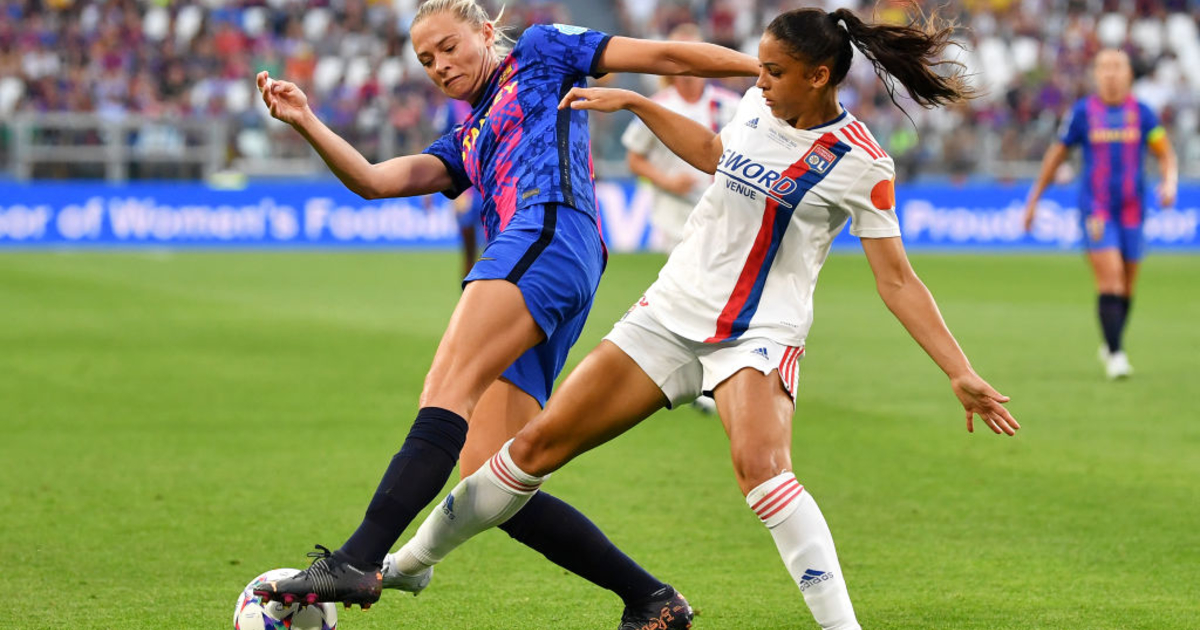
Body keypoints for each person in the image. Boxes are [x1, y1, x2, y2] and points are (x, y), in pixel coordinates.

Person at [383, 7, 1021, 630]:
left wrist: (958, 370)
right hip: (668, 315)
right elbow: (715, 153)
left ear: (818, 77)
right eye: (760, 68)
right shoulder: (756, 107)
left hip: (757, 335)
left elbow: (898, 279)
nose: (758, 81)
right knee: (529, 452)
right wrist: (637, 103)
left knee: (762, 471)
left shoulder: (861, 160)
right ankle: (407, 566)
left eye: (773, 72)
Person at [251, 0, 759, 626]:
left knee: (447, 388)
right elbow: (375, 181)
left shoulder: (541, 51)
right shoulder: (467, 137)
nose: (440, 65)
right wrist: (305, 120)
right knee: (495, 480)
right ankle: (651, 600)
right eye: (426, 59)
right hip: (558, 258)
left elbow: (666, 56)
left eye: (449, 47)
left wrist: (764, 68)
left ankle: (357, 559)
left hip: (546, 230)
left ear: (486, 32)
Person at [1023, 48, 1177, 380]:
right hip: (1096, 208)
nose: (1110, 73)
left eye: (1117, 66)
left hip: (1133, 208)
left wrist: (1169, 182)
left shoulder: (1143, 114)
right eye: (1104, 67)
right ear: (1095, 74)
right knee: (1111, 277)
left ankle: (1111, 341)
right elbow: (1056, 156)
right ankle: (1117, 355)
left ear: (1129, 74)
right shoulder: (1082, 113)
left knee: (1127, 285)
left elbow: (1165, 153)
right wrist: (1034, 200)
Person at [621, 23, 741, 254]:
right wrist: (668, 182)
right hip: (675, 214)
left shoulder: (730, 104)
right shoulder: (656, 106)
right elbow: (634, 160)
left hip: (722, 211)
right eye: (680, 55)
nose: (688, 62)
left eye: (694, 53)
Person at [434, 97, 485, 279]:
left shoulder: (498, 97)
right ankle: (467, 287)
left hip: (493, 185)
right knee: (468, 251)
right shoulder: (452, 107)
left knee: (496, 249)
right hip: (466, 188)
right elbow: (439, 145)